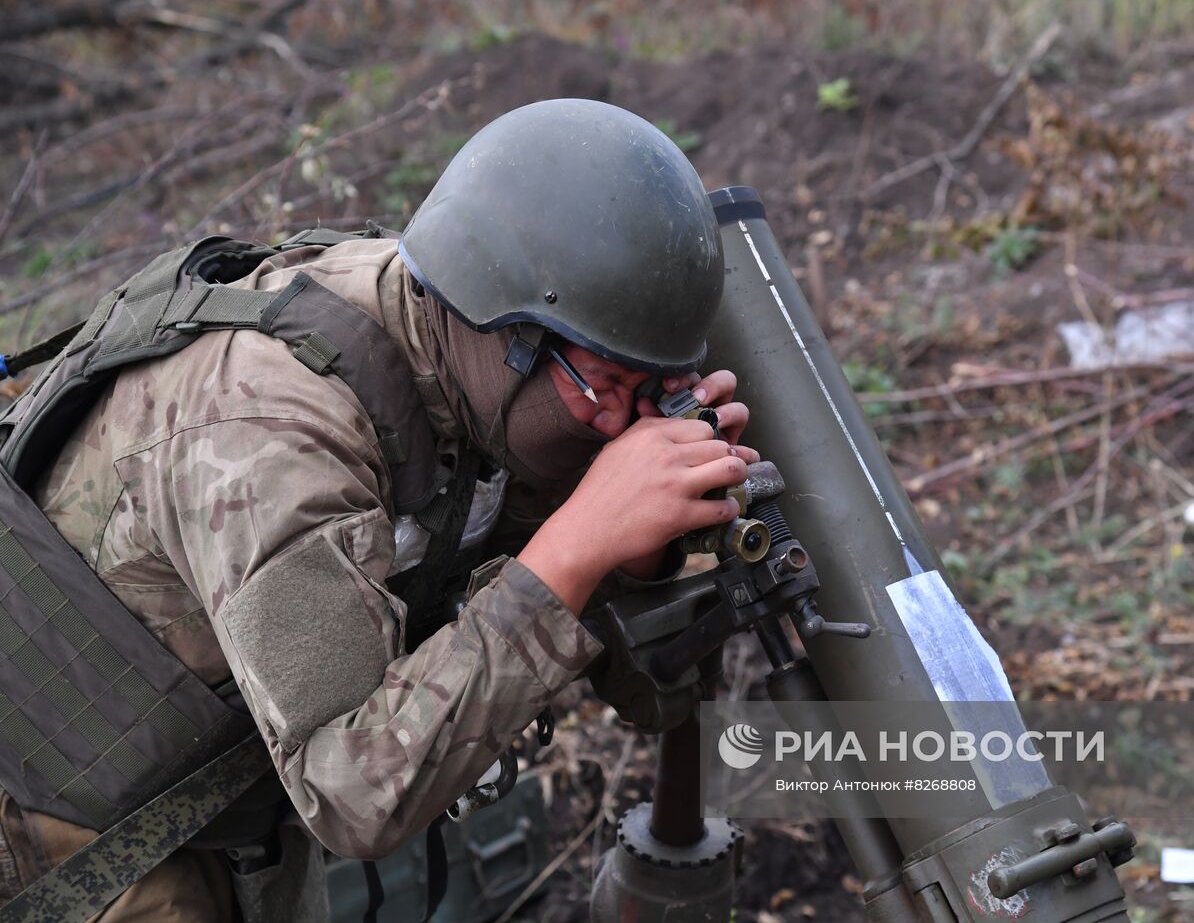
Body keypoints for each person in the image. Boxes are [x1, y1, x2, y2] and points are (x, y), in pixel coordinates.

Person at [0, 98, 754, 921]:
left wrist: (637, 548)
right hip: (59, 808)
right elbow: (351, 789)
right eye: (605, 388)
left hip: (199, 772)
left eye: (646, 390)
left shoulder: (454, 355)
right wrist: (575, 544)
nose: (618, 423)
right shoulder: (270, 429)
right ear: (507, 330)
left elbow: (650, 699)